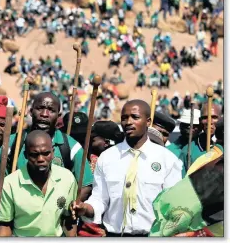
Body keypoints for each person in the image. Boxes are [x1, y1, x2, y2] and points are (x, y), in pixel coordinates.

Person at [71, 100, 182, 237]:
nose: (128, 122)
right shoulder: (107, 158)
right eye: (124, 118)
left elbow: (174, 207)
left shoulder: (167, 159)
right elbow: (100, 199)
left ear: (148, 121)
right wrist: (86, 208)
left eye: (135, 117)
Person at [13, 92, 93, 201]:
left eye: (51, 110)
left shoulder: (71, 147)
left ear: (58, 116)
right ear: (31, 112)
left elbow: (85, 186)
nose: (44, 114)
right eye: (40, 108)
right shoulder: (14, 143)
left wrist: (68, 208)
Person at [0, 130, 77, 237]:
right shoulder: (10, 183)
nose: (40, 159)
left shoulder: (67, 178)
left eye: (46, 153)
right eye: (34, 155)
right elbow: (4, 224)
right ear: (25, 155)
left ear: (53, 152)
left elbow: (69, 220)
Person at [179, 104, 222, 175]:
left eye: (214, 117)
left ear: (221, 119)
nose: (209, 122)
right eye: (205, 118)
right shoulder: (188, 151)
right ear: (200, 121)